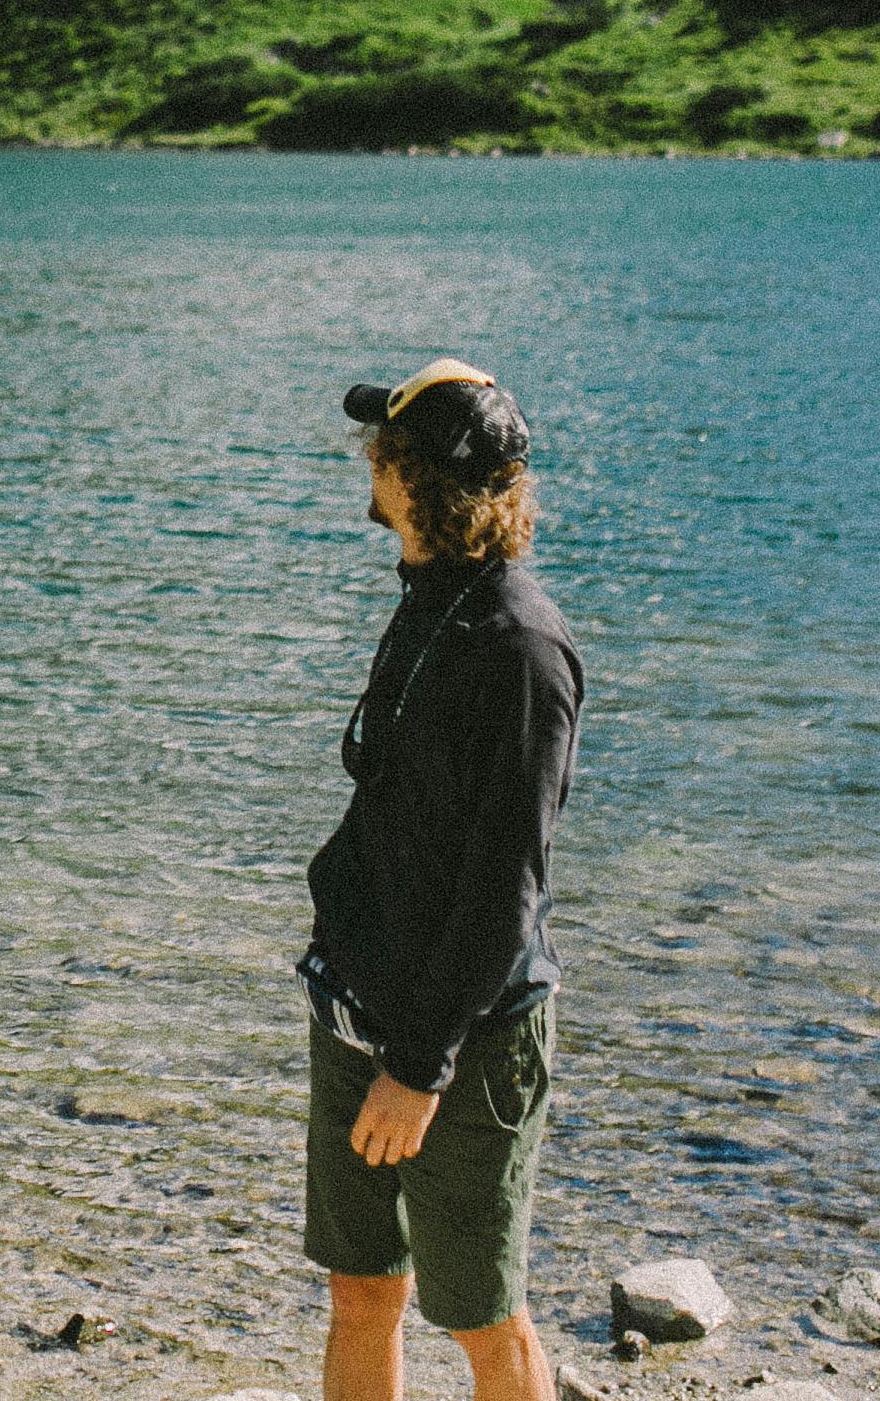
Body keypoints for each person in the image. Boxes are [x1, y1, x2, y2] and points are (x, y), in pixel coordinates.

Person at [301, 358, 585, 1401]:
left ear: (415, 478)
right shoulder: (432, 597)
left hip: (461, 1043)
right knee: (360, 1288)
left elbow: (503, 894)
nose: (366, 466)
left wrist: (419, 1070)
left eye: (381, 451)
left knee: (479, 1313)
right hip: (357, 1006)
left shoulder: (521, 651)